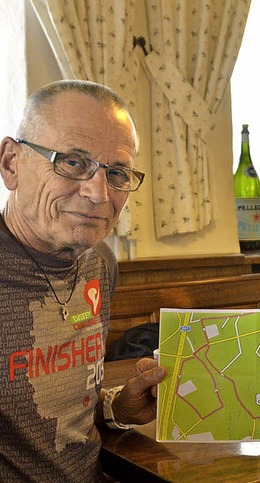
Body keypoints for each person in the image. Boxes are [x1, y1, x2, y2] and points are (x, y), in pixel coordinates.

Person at [0, 80, 165, 481]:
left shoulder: (100, 262)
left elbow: (67, 411)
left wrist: (117, 408)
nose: (98, 193)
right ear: (11, 163)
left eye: (118, 172)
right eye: (73, 162)